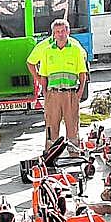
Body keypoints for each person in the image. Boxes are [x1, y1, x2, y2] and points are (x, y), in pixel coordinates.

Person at [33, 19, 87, 153]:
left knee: (72, 127)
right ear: (53, 34)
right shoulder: (47, 51)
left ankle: (74, 154)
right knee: (52, 126)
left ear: (68, 32)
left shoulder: (76, 50)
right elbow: (44, 75)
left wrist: (79, 92)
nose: (61, 34)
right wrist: (45, 94)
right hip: (53, 94)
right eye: (57, 32)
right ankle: (51, 155)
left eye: (63, 31)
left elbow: (82, 73)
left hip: (71, 94)